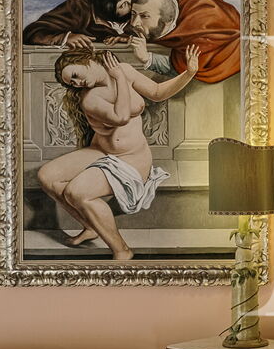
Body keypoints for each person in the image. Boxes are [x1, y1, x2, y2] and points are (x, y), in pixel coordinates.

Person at [37, 45, 200, 260]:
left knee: (77, 192)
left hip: (131, 159)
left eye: (75, 75)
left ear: (86, 59)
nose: (76, 83)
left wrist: (189, 73)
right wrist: (120, 79)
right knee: (46, 175)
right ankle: (92, 225)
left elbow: (157, 93)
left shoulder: (124, 70)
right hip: (101, 151)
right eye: (71, 83)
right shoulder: (90, 98)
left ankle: (121, 250)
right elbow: (121, 117)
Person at [22, 0, 193, 47]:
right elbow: (33, 31)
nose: (132, 5)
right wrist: (64, 38)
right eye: (124, 5)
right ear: (106, 10)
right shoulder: (77, 8)